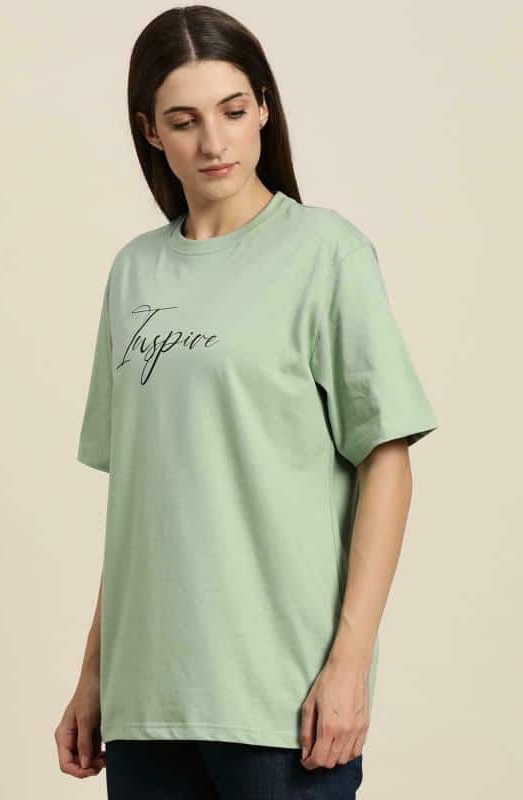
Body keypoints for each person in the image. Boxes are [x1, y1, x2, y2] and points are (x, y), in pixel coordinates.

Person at [54, 6, 439, 798]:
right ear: (151, 132)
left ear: (264, 107)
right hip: (147, 705)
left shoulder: (326, 253)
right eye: (184, 120)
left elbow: (387, 462)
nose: (214, 142)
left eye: (232, 111)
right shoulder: (134, 273)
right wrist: (95, 673)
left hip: (280, 704)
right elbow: (141, 502)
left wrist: (350, 663)